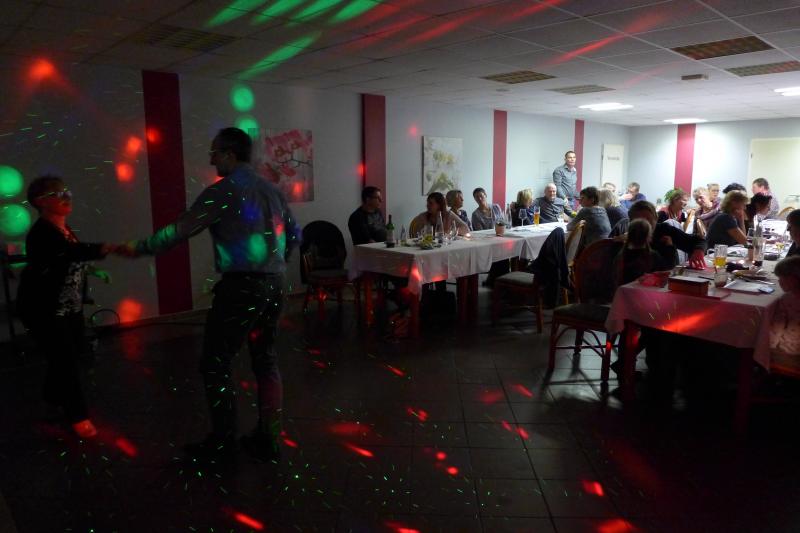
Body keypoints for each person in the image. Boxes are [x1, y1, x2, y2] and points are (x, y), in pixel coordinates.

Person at [118, 127, 300, 462]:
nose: (212, 160)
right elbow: (294, 235)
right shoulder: (272, 190)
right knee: (265, 360)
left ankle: (223, 442)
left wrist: (139, 248)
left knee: (216, 362)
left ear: (230, 154)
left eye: (215, 153)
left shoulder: (223, 191)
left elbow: (181, 229)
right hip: (276, 284)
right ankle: (269, 437)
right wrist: (276, 264)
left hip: (242, 287)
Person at [16, 176, 114, 439]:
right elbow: (66, 253)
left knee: (65, 357)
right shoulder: (41, 234)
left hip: (69, 308)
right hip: (45, 310)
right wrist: (104, 248)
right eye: (57, 194)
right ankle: (77, 416)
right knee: (65, 362)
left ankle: (51, 403)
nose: (66, 197)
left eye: (66, 191)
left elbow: (69, 260)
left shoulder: (64, 229)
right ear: (40, 202)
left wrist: (93, 271)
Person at [627, 200, 707, 269]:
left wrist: (698, 250)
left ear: (656, 219)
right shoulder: (626, 240)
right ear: (631, 222)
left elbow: (699, 240)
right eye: (638, 220)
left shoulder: (663, 230)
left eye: (648, 219)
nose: (644, 224)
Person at [612, 219, 670, 287]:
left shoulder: (621, 255)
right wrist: (670, 247)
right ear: (649, 237)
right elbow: (666, 272)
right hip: (646, 292)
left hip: (623, 292)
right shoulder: (653, 256)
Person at [769, 256, 800, 372]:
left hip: (791, 352)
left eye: (781, 278)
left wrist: (768, 349)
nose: (778, 282)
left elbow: (777, 328)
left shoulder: (787, 300)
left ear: (793, 279)